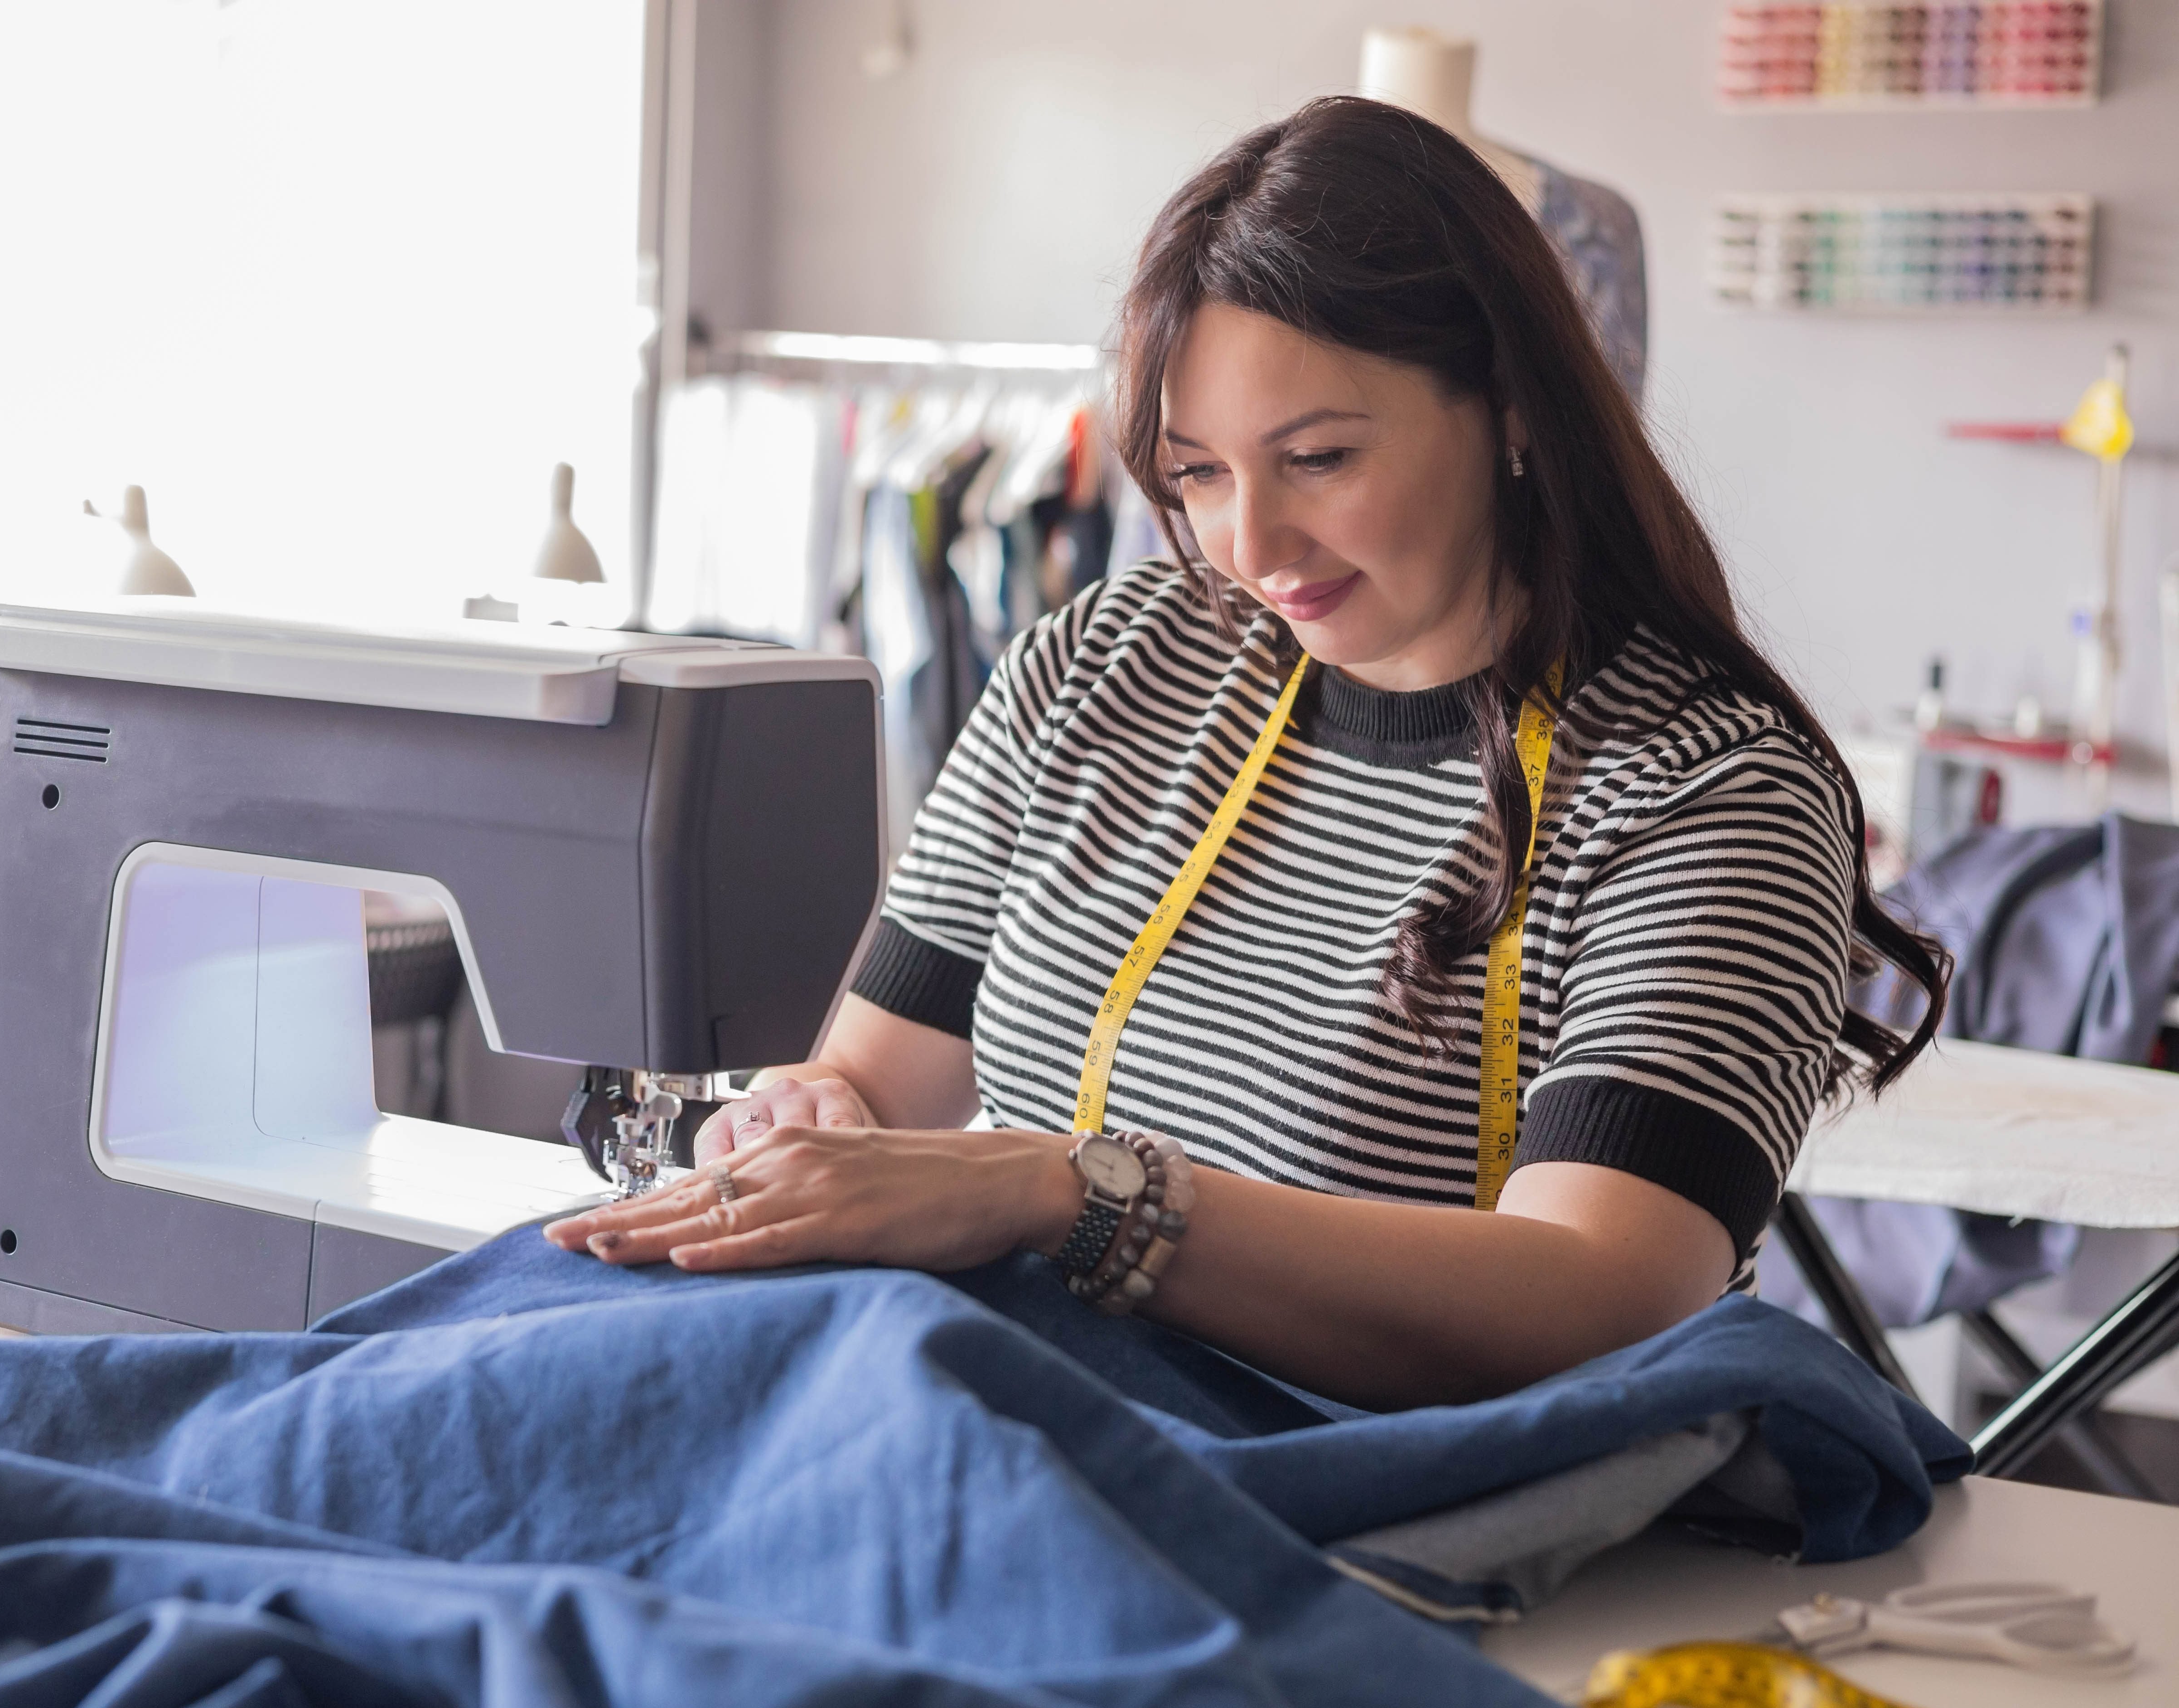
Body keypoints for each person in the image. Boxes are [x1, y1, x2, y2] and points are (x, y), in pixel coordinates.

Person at [548, 96, 1945, 1410]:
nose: (1250, 550)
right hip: (1003, 1410)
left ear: (1515, 410)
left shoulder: (1706, 792)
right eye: (1200, 474)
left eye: (1321, 460)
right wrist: (812, 1119)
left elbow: (1606, 1296)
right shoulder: (1110, 658)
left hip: (1354, 1503)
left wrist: (1069, 1193)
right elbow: (876, 1078)